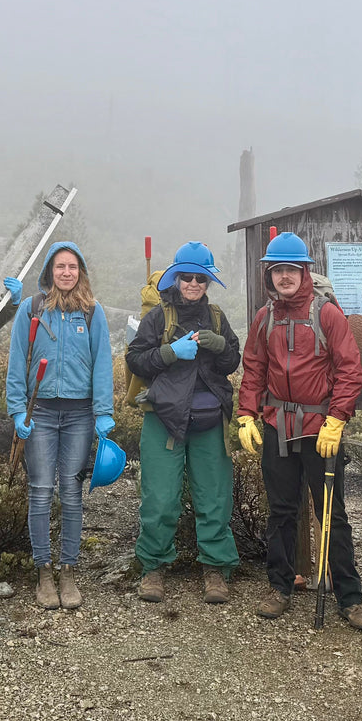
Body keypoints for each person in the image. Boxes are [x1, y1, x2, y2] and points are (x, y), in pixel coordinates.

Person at [235, 233, 362, 631]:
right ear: (270, 275)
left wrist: (337, 419)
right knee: (280, 511)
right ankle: (279, 587)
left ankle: (350, 598)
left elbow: (350, 369)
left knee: (332, 512)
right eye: (277, 270)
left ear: (304, 271)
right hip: (278, 424)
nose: (284, 277)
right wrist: (247, 414)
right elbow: (255, 369)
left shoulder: (326, 314)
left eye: (290, 270)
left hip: (320, 428)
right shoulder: (265, 318)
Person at [125, 241, 242, 604]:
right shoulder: (158, 317)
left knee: (215, 499)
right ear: (176, 278)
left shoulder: (218, 317)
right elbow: (135, 360)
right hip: (164, 418)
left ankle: (216, 570)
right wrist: (170, 353)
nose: (193, 284)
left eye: (200, 279)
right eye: (186, 277)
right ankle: (153, 568)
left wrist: (221, 346)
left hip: (209, 421)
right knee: (159, 500)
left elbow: (232, 362)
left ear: (208, 283)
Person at [5, 243, 114, 610]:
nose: (66, 273)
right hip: (41, 414)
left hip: (80, 414)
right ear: (49, 271)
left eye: (72, 267)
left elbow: (102, 362)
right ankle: (44, 572)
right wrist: (18, 411)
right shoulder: (31, 310)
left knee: (70, 491)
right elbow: (17, 360)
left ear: (80, 271)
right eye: (59, 267)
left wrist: (103, 411)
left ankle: (68, 571)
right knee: (39, 490)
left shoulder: (91, 311)